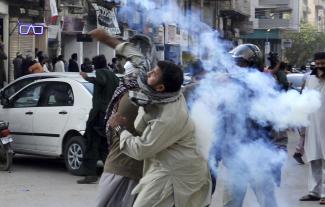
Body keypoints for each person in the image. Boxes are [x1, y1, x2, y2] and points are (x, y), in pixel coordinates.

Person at [109, 61, 212, 206]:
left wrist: (120, 129)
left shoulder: (168, 118)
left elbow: (141, 149)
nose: (149, 73)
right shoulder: (169, 95)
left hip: (176, 173)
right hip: (168, 165)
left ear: (160, 87)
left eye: (154, 74)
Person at [215, 44, 285, 207]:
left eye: (241, 64)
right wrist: (216, 149)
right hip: (233, 157)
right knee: (231, 202)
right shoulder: (228, 89)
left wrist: (278, 156)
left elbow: (279, 125)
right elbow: (221, 121)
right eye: (235, 63)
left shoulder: (266, 90)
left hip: (260, 157)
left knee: (267, 201)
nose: (236, 67)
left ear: (253, 65)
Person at [77, 54, 119, 184]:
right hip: (109, 114)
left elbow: (101, 81)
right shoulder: (113, 75)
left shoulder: (101, 73)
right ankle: (112, 174)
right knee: (103, 146)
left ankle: (90, 174)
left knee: (91, 143)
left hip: (99, 114)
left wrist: (88, 78)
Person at [300, 52, 325, 205]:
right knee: (314, 159)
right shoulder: (310, 78)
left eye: (323, 63)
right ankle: (315, 192)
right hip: (313, 125)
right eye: (318, 63)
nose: (321, 66)